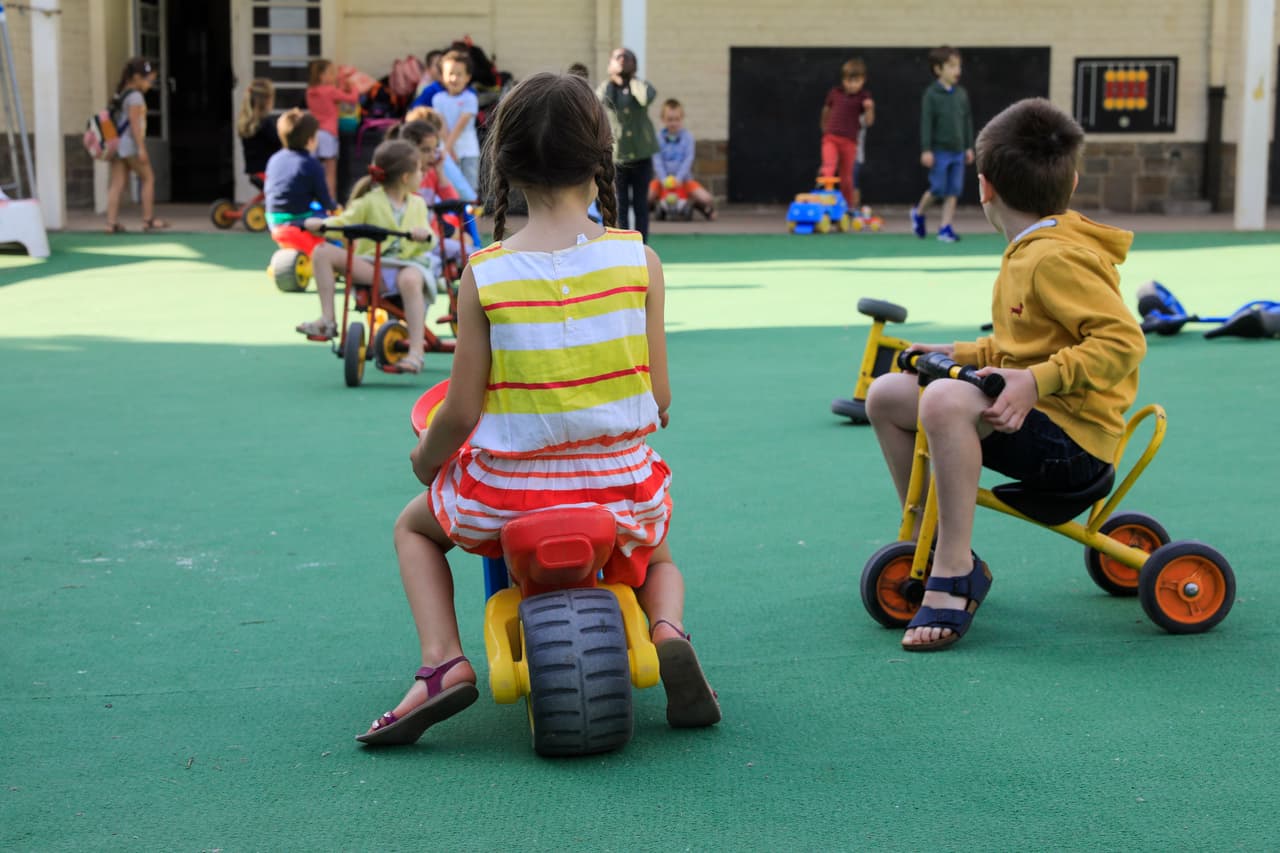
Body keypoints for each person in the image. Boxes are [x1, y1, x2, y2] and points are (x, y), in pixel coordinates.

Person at [355, 72, 721, 747]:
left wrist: (425, 460)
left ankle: (442, 661)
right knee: (661, 556)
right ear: (600, 159)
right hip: (619, 491)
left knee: (413, 528)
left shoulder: (486, 271)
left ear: (505, 165)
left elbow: (463, 411)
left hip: (510, 497)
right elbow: (659, 399)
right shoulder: (639, 258)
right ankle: (666, 626)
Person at [865, 98, 1146, 652]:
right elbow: (1030, 341)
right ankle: (933, 539)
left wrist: (1036, 381)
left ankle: (955, 567)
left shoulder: (1053, 258)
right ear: (1071, 181)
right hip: (1035, 417)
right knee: (888, 396)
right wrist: (966, 353)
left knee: (944, 402)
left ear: (984, 186)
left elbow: (1123, 341)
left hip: (1074, 445)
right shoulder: (1029, 250)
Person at [299, 140, 438, 373]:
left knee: (410, 279)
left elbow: (430, 239)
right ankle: (328, 320)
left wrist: (423, 235)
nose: (422, 174)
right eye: (419, 170)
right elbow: (342, 223)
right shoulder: (368, 202)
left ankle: (416, 352)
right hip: (373, 266)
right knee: (322, 252)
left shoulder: (418, 205)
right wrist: (321, 224)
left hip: (407, 265)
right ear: (406, 177)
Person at [263, 109, 338, 283]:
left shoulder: (274, 159)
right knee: (337, 227)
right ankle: (337, 258)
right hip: (298, 220)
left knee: (314, 210)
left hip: (273, 219)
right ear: (311, 140)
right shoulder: (311, 164)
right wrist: (335, 208)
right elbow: (324, 199)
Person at [910, 46, 974, 243]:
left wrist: (968, 146)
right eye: (952, 66)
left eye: (959, 66)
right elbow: (926, 123)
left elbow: (966, 121)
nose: (957, 71)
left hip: (958, 152)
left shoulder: (961, 94)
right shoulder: (931, 95)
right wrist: (926, 149)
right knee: (938, 188)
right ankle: (918, 213)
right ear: (938, 69)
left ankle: (945, 228)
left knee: (953, 190)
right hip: (939, 152)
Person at [596, 47, 659, 242]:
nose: (622, 60)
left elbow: (646, 97)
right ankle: (623, 244)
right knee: (619, 204)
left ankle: (642, 244)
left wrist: (631, 81)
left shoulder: (640, 86)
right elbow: (599, 100)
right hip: (617, 157)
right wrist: (613, 79)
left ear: (635, 65)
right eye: (617, 57)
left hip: (641, 155)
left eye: (627, 57)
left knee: (641, 205)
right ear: (609, 65)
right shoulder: (605, 87)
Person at [104, 57, 168, 233]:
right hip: (130, 145)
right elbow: (135, 124)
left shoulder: (122, 93)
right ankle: (148, 219)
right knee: (148, 178)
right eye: (150, 80)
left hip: (116, 145)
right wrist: (141, 148)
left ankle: (111, 223)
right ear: (138, 77)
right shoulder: (136, 97)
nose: (151, 84)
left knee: (117, 183)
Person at [818, 58, 874, 210]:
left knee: (847, 178)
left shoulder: (864, 97)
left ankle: (848, 207)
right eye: (848, 81)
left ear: (863, 81)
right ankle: (824, 196)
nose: (852, 85)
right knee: (829, 166)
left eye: (856, 81)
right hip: (831, 137)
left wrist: (869, 109)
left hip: (850, 142)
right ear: (843, 80)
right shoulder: (835, 93)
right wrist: (825, 127)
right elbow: (826, 110)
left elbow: (869, 122)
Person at [648, 98, 716, 220]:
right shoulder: (658, 138)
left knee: (707, 198)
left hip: (684, 180)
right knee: (647, 196)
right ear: (663, 119)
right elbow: (657, 161)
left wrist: (679, 179)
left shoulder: (688, 137)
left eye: (677, 119)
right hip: (662, 180)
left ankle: (697, 205)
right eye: (670, 119)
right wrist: (664, 180)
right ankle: (653, 206)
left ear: (682, 119)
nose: (673, 123)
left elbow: (688, 159)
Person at [305, 58, 359, 201]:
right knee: (330, 171)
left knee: (315, 169)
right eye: (331, 73)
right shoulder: (329, 91)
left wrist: (340, 83)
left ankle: (312, 199)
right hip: (329, 134)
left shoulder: (311, 91)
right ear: (322, 76)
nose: (334, 76)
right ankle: (329, 201)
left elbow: (335, 94)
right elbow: (352, 98)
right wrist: (353, 86)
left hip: (314, 133)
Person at [431, 50, 481, 193]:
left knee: (470, 189)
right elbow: (441, 126)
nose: (454, 78)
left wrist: (448, 149)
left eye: (459, 74)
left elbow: (460, 126)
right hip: (445, 152)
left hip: (468, 151)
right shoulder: (438, 99)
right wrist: (448, 151)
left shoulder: (470, 98)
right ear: (442, 76)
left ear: (467, 77)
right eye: (450, 74)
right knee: (449, 188)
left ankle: (471, 216)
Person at [236, 78, 280, 189]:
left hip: (254, 172)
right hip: (267, 172)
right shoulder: (265, 123)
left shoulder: (249, 123)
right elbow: (278, 142)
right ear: (268, 101)